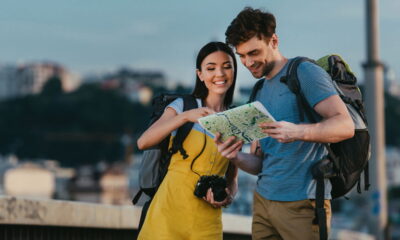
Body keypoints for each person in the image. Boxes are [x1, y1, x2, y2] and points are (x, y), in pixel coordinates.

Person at [215, 7, 355, 240]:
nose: (248, 62)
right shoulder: (258, 91)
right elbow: (260, 163)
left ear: (274, 41)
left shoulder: (305, 73)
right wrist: (234, 157)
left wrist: (296, 131)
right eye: (241, 56)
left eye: (253, 52)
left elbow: (345, 126)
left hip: (303, 204)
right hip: (263, 203)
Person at [136, 41, 239, 240]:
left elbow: (232, 177)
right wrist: (184, 117)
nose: (220, 74)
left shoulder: (235, 120)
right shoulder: (183, 105)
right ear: (200, 74)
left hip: (207, 225)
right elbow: (143, 142)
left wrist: (229, 196)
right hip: (166, 218)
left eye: (227, 67)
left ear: (234, 72)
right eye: (211, 68)